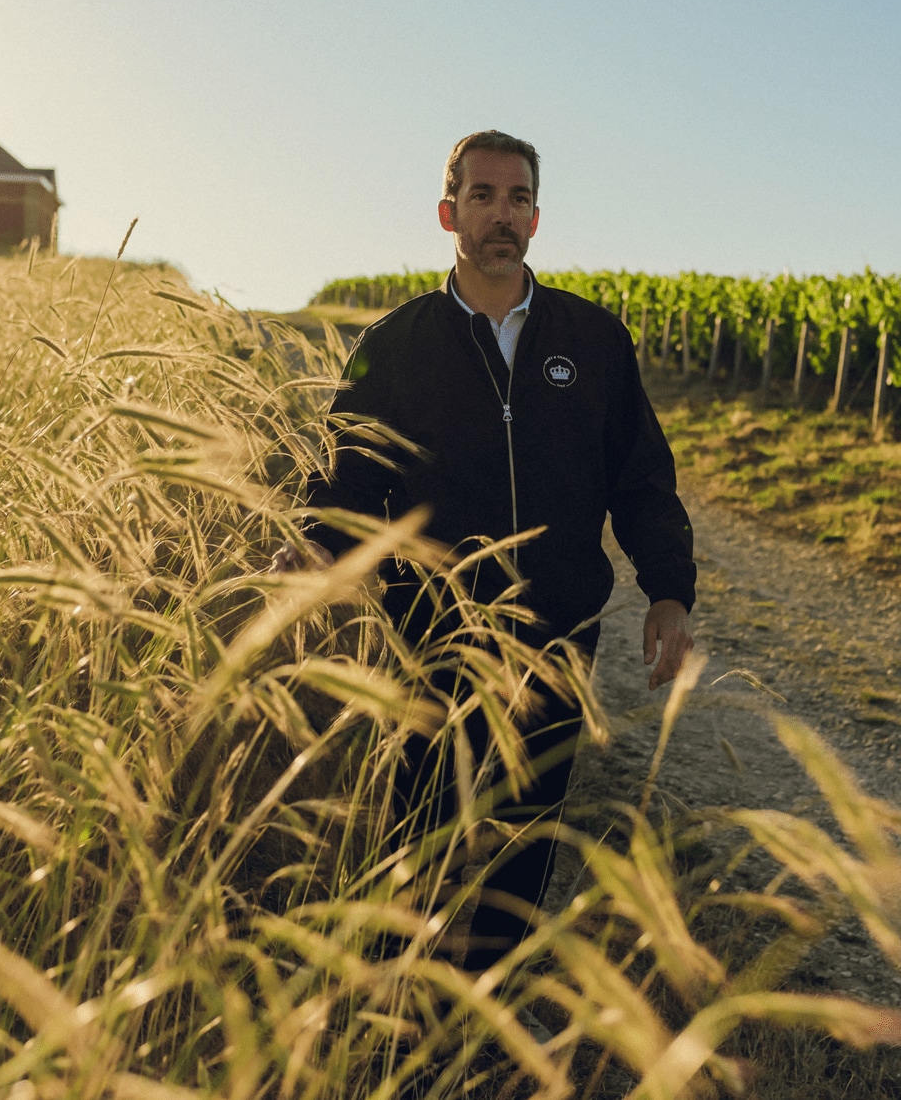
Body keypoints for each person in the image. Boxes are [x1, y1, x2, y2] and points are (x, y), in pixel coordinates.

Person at [292, 129, 696, 969]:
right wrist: (306, 582)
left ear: (537, 219)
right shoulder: (395, 345)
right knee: (419, 833)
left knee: (523, 845)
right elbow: (348, 486)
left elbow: (641, 478)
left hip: (554, 638)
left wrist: (668, 591)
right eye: (483, 197)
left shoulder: (593, 342)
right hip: (430, 636)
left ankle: (480, 1011)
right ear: (449, 213)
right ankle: (402, 1005)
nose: (501, 216)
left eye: (518, 199)